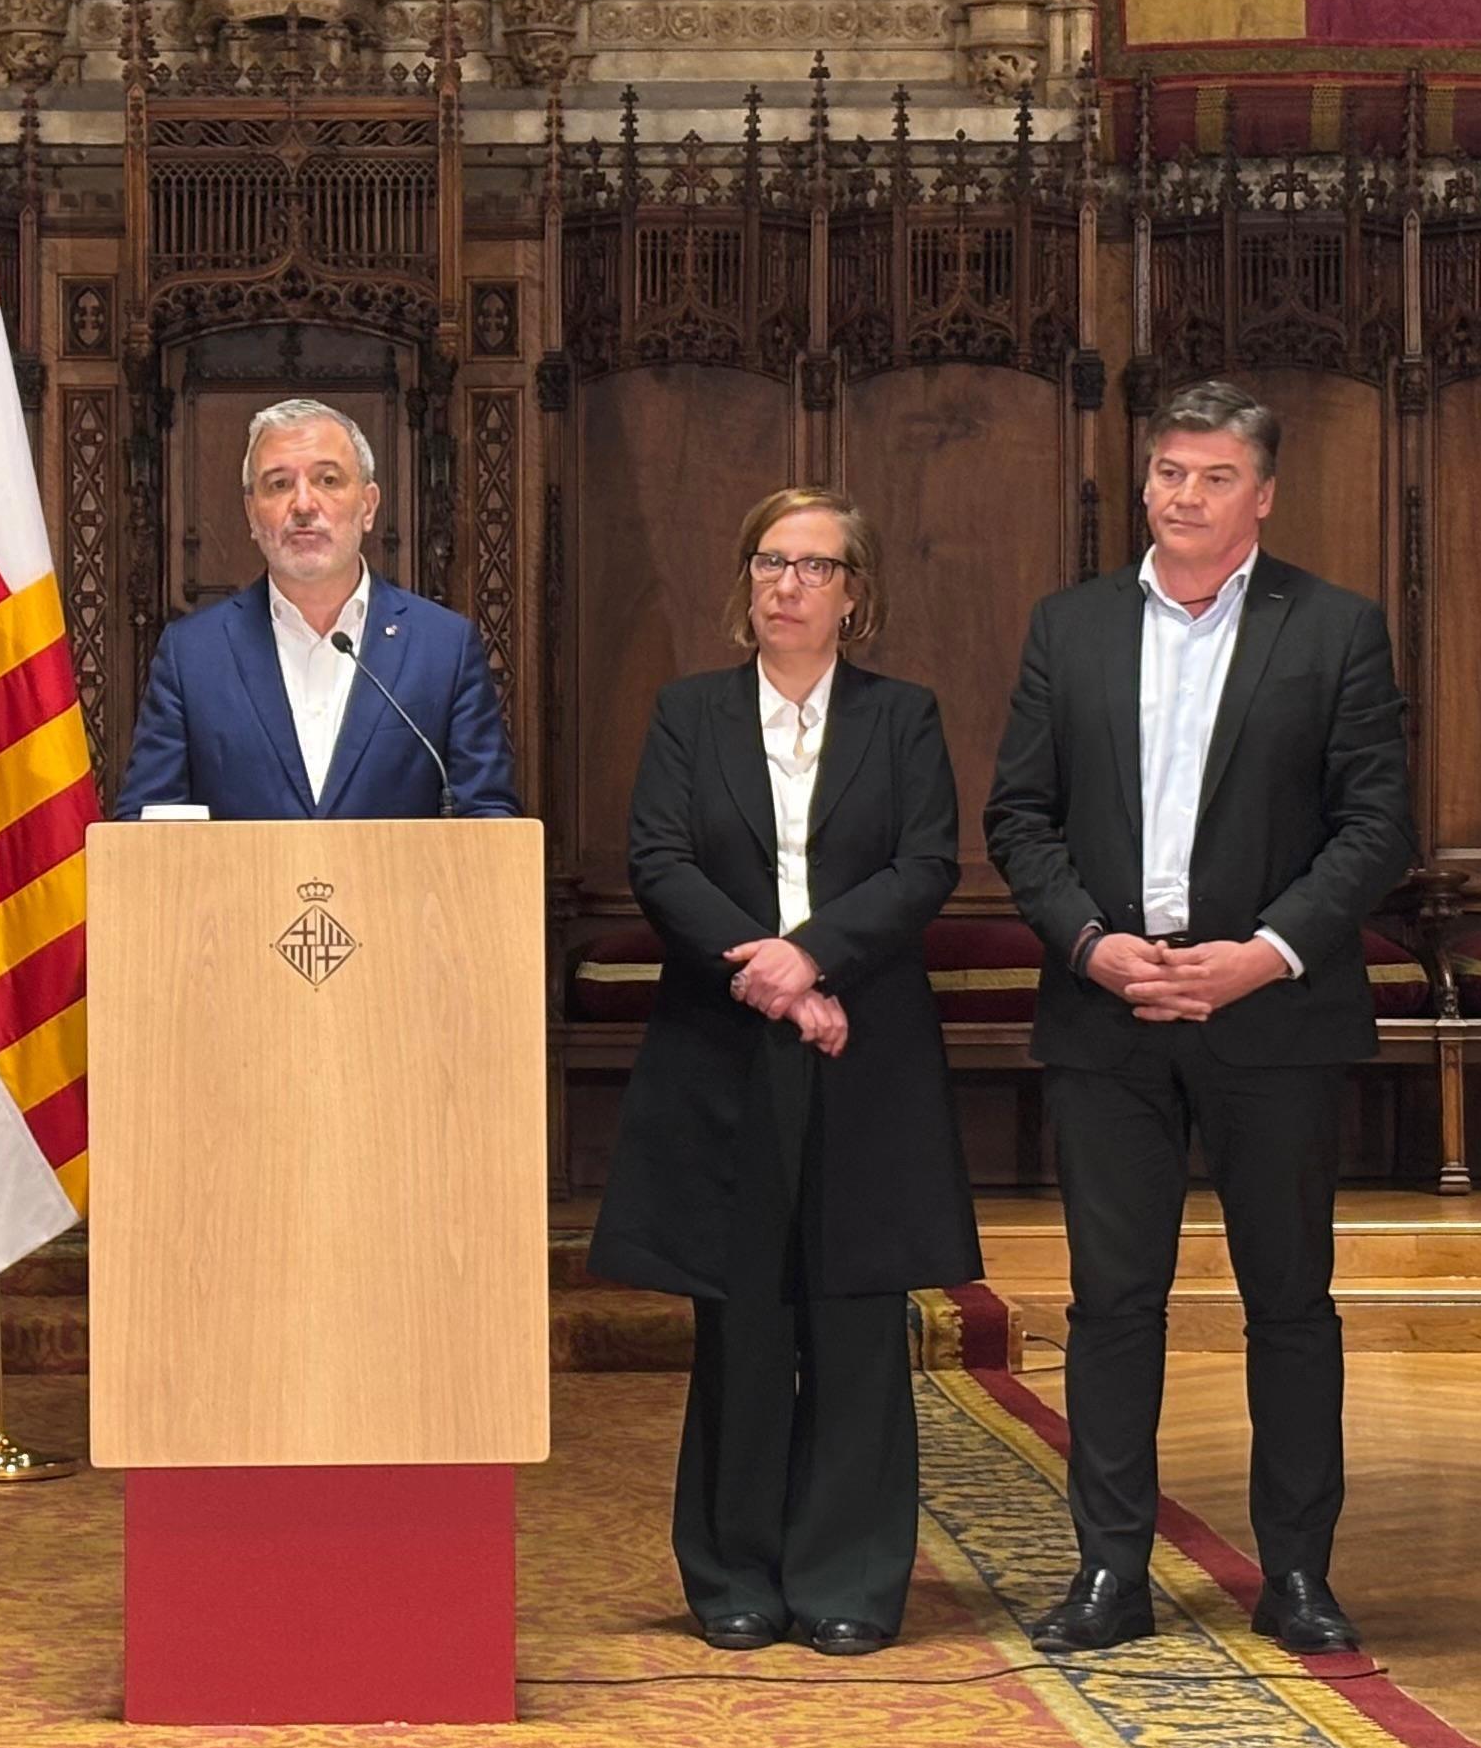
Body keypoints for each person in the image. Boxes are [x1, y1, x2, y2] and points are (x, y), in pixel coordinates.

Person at [985, 379, 1415, 1660]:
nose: (1184, 495)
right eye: (1169, 472)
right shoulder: (1069, 626)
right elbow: (1020, 817)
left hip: (1271, 1013)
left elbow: (1375, 826)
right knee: (1113, 1304)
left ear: (1263, 495)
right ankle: (1110, 1571)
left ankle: (1298, 1574)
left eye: (1214, 477)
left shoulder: (1334, 628)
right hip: (1108, 1013)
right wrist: (1090, 943)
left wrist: (1263, 955)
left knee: (1291, 1303)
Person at [590, 492, 979, 1655]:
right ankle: (735, 1573)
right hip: (726, 1044)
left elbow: (925, 864)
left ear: (856, 594)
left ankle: (849, 1578)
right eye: (770, 561)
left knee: (856, 1318)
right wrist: (770, 977)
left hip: (866, 1047)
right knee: (743, 1314)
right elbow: (659, 859)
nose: (788, 585)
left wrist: (815, 959)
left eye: (816, 566)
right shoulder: (689, 713)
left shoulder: (903, 717)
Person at [112, 398, 516, 821]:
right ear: (251, 513)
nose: (304, 505)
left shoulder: (444, 648)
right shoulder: (192, 654)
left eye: (328, 480)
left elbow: (488, 816)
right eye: (279, 484)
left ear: (368, 506)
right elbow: (145, 825)